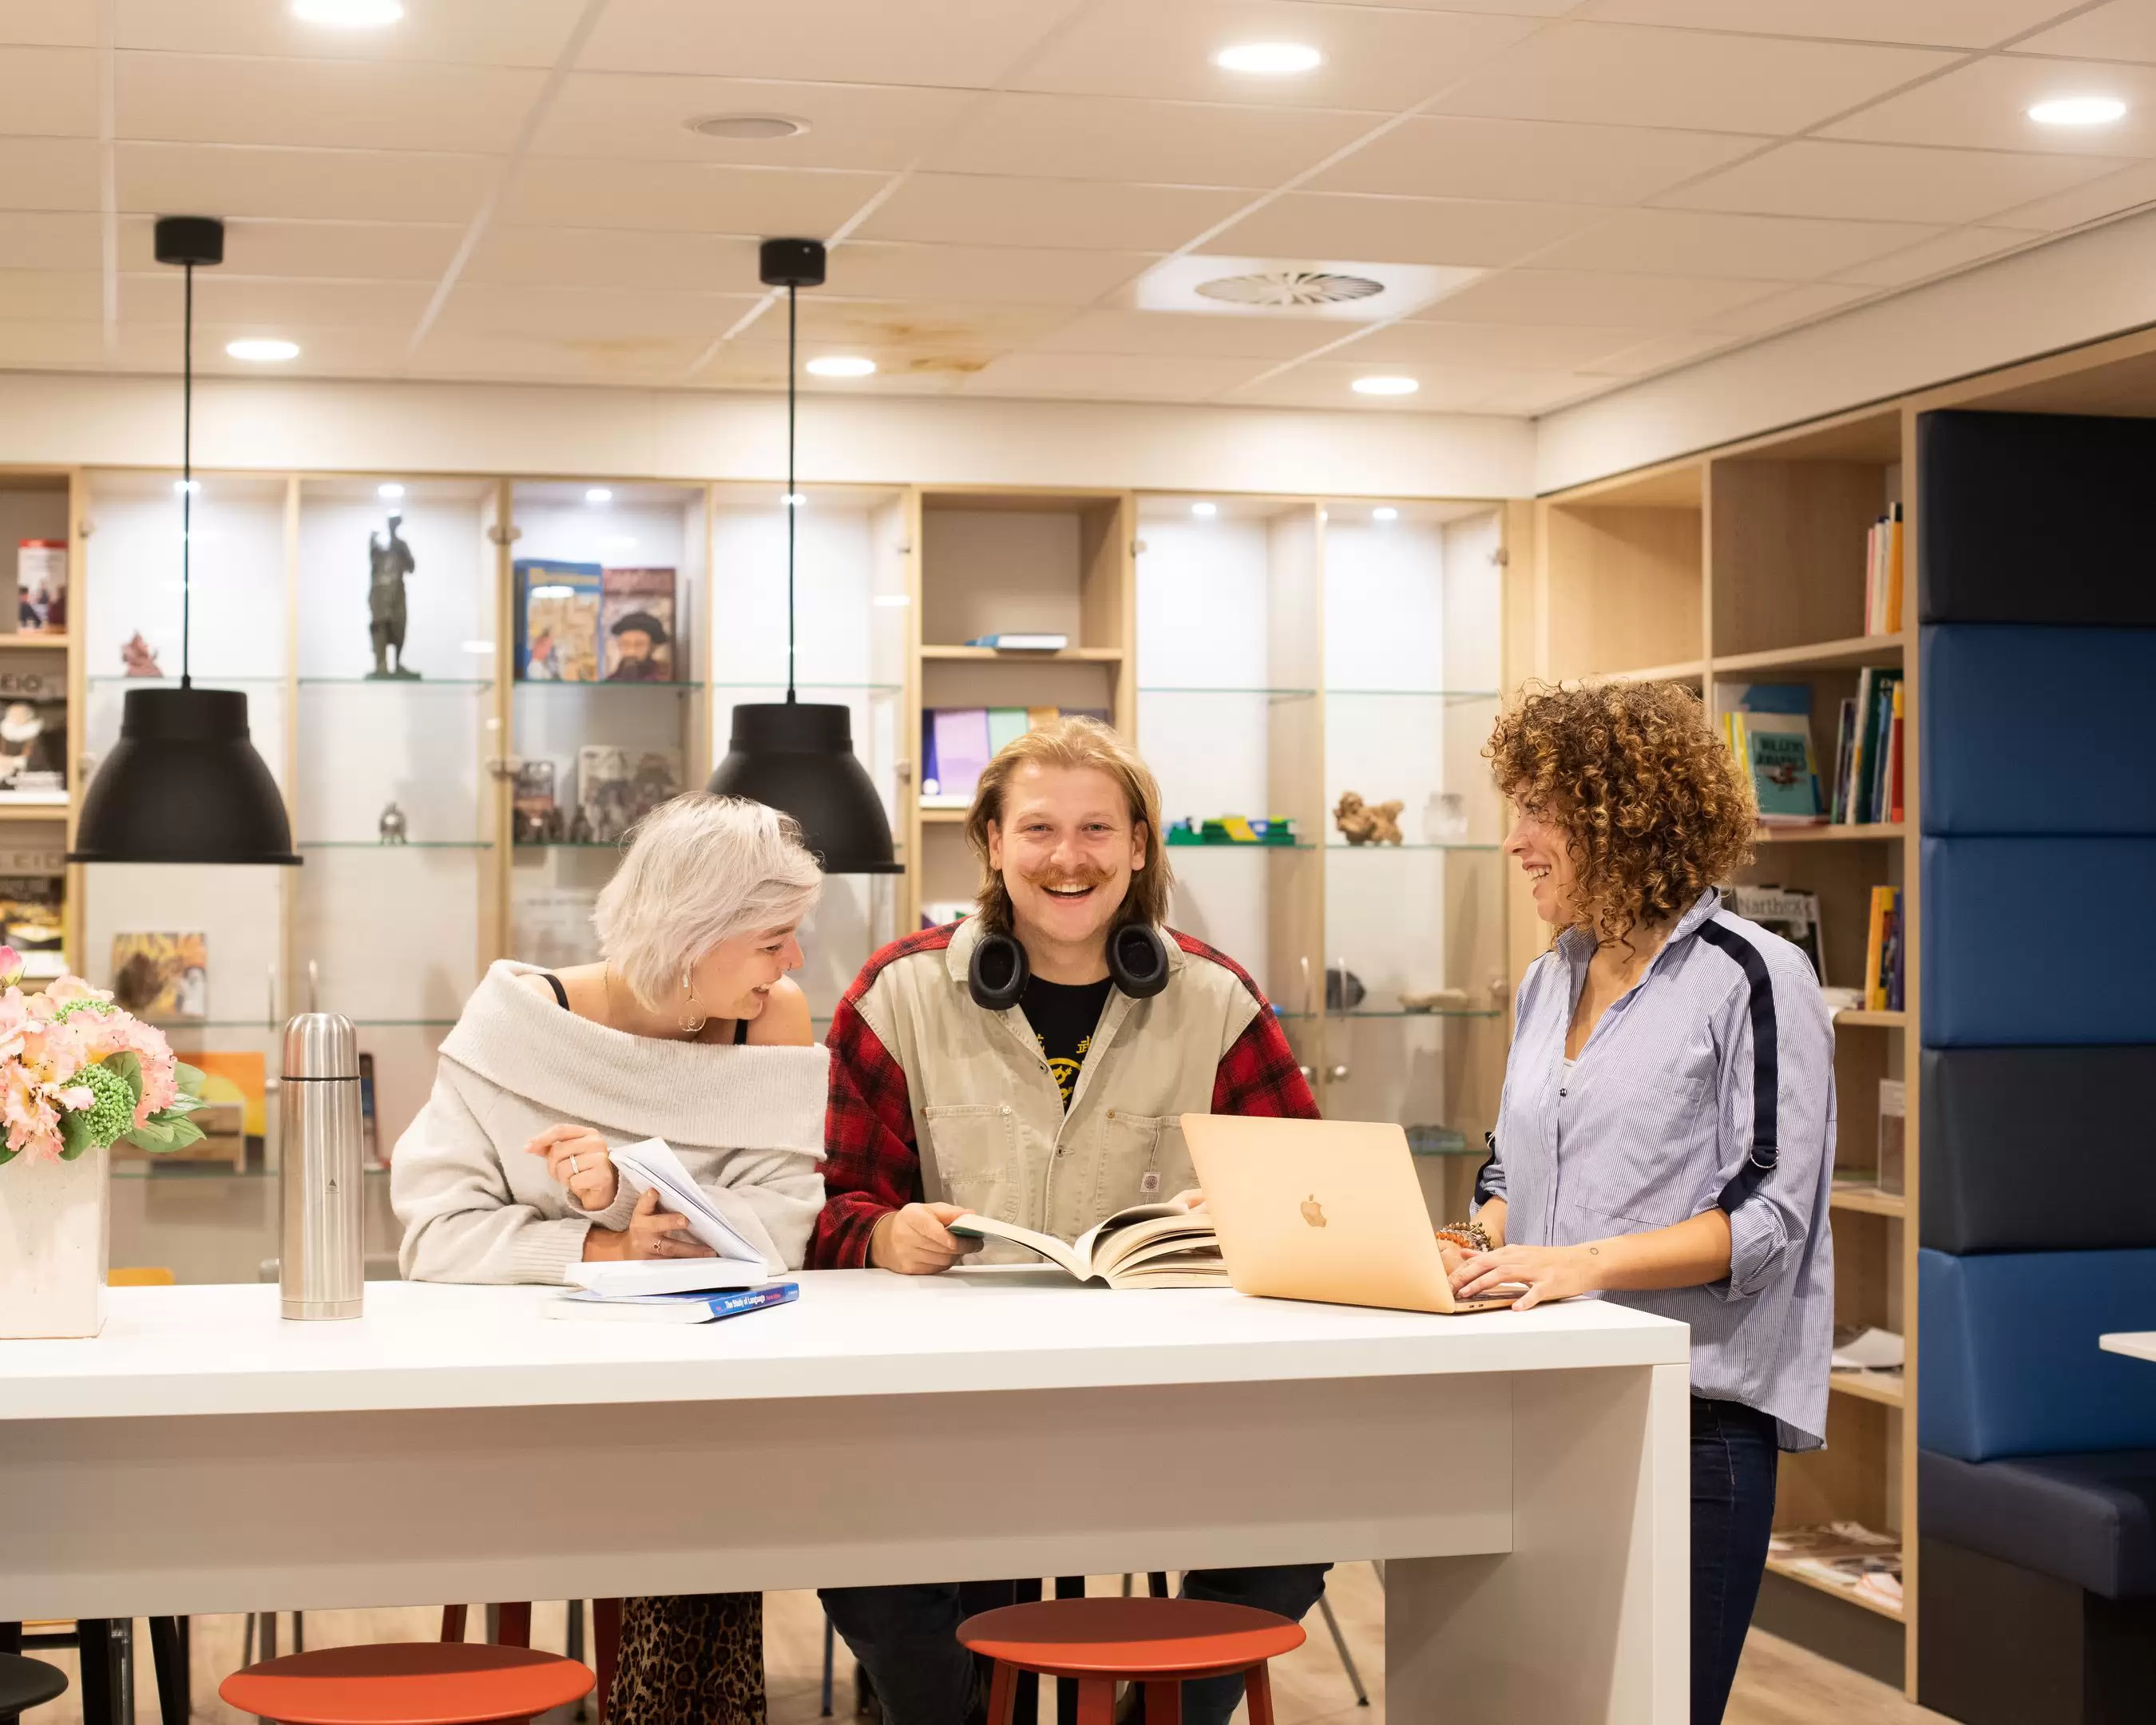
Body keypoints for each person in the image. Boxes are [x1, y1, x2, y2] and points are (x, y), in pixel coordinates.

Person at [811, 716, 1328, 1725]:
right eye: (1039, 830)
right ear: (993, 846)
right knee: (842, 1527)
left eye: (1098, 831)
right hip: (942, 1406)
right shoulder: (896, 994)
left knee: (1312, 1511)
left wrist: (1233, 1211)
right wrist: (880, 1235)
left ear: (1138, 849)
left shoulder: (1217, 999)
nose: (1068, 858)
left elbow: (1307, 1201)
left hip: (1168, 1404)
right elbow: (825, 1209)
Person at [391, 792, 829, 1725]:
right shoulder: (520, 1025)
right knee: (685, 1491)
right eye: (772, 939)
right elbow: (436, 1235)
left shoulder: (771, 1016)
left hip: (727, 1402)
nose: (794, 962)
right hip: (533, 1407)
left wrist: (623, 1209)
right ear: (691, 936)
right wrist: (597, 1242)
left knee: (719, 1479)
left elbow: (786, 1225)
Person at [1447, 682, 1833, 1725]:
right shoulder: (1545, 980)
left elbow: (1767, 1223)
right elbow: (1506, 1172)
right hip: (1533, 1398)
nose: (1517, 841)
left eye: (1539, 810)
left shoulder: (1756, 977)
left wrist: (1586, 1263)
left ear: (1623, 816)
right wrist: (1476, 1244)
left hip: (1689, 1422)